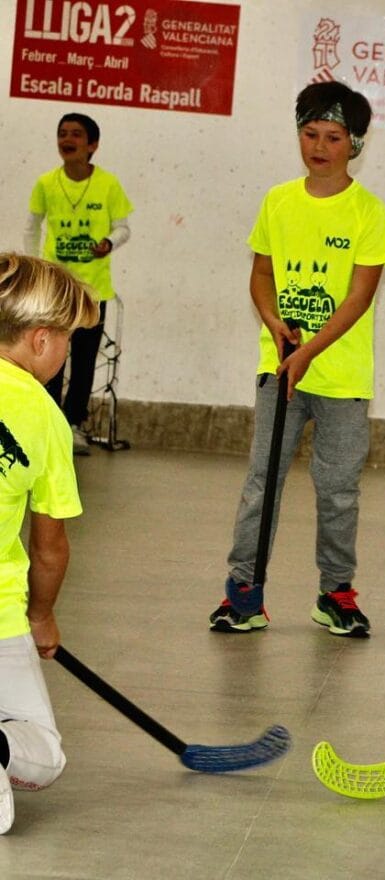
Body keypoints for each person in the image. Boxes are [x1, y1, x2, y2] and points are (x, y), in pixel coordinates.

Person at [208, 81, 385, 638]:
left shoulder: (369, 213)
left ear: (354, 143)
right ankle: (243, 595)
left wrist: (308, 351)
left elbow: (359, 298)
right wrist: (273, 325)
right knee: (261, 484)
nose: (319, 146)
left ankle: (335, 593)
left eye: (333, 136)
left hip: (340, 378)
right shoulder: (277, 201)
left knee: (338, 489)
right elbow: (262, 272)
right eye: (310, 133)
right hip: (280, 370)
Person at [0, 254, 100, 834]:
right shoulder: (43, 417)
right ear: (40, 340)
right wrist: (42, 615)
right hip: (3, 613)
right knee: (43, 759)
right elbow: (50, 549)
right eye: (67, 339)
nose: (67, 350)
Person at [25, 113, 134, 456]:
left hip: (92, 291)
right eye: (62, 133)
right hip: (56, 291)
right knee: (49, 358)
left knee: (85, 361)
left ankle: (71, 425)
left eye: (76, 134)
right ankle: (47, 422)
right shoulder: (46, 183)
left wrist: (109, 243)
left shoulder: (108, 184)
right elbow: (32, 227)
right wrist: (36, 268)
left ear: (92, 145)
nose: (67, 139)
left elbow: (123, 228)